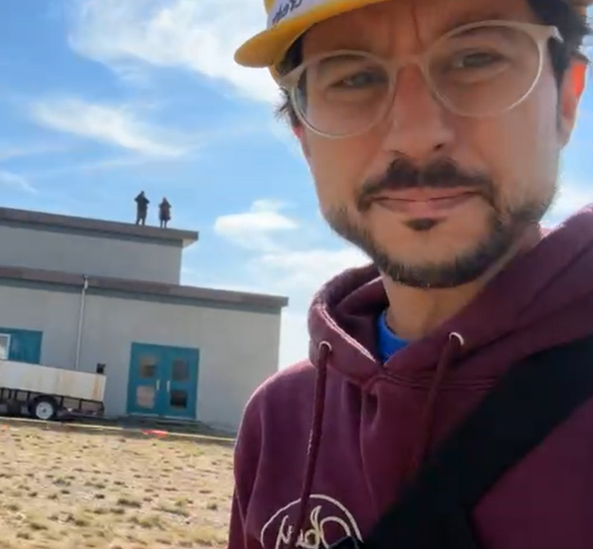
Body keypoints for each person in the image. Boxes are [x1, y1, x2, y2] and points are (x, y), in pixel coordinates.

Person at [228, 0, 593, 547]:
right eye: (354, 77)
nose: (417, 134)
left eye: (475, 59)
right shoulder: (281, 419)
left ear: (566, 97)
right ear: (304, 136)